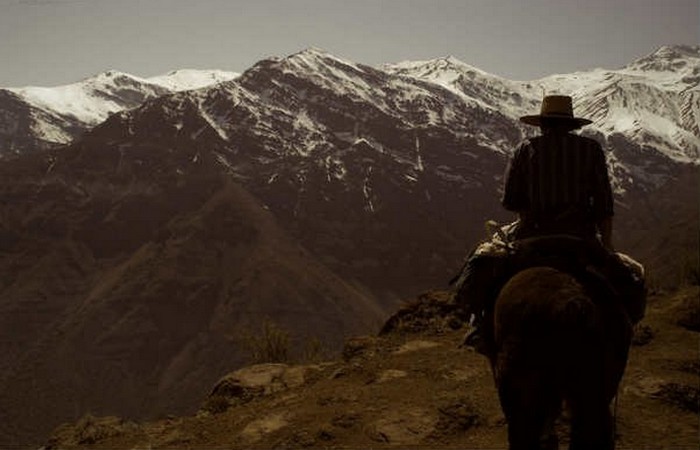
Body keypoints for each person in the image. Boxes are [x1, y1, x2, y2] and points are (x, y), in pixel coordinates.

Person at [455, 95, 645, 356]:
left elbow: (511, 200)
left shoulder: (525, 149)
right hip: (581, 235)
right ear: (571, 125)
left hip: (531, 233)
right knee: (631, 282)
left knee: (481, 266)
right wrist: (608, 244)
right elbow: (604, 204)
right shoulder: (591, 150)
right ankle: (624, 329)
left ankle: (479, 327)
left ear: (542, 124)